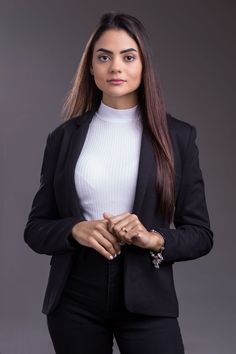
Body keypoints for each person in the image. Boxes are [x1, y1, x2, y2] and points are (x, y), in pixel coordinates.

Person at [24, 12, 213, 354]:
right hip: (74, 298)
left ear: (144, 66)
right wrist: (74, 230)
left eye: (128, 57)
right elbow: (35, 228)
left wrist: (153, 238)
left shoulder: (178, 137)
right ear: (91, 68)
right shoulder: (63, 138)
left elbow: (201, 235)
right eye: (104, 57)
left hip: (148, 298)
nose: (116, 67)